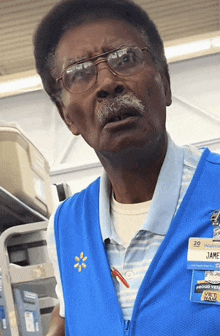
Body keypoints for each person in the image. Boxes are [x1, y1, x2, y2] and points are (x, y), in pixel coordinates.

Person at [33, 0, 220, 335]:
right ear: (67, 117)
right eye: (79, 73)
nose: (107, 83)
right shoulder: (65, 226)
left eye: (126, 58)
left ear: (165, 83)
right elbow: (67, 311)